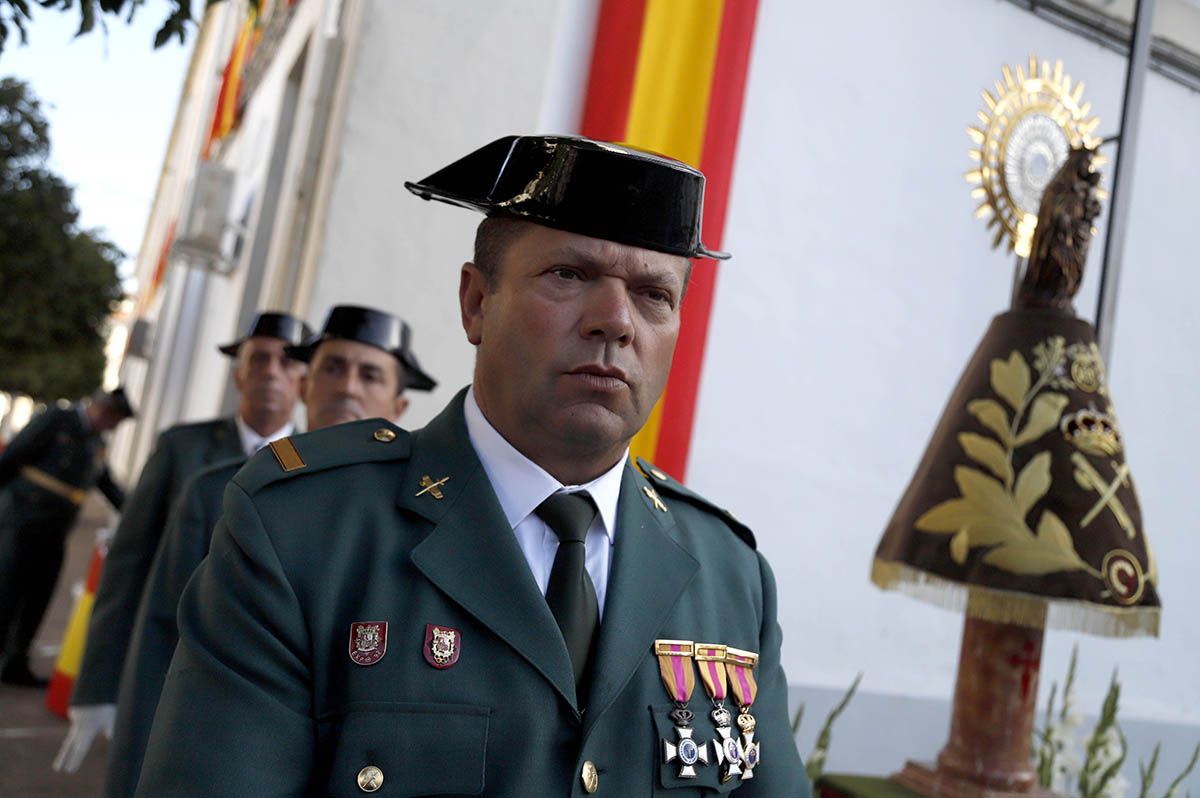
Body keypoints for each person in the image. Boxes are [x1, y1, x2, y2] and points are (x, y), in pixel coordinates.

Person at [138, 136, 810, 796]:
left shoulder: (732, 578)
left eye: (654, 295)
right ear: (476, 302)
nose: (615, 321)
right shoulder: (304, 531)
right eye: (569, 275)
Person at [102, 305, 434, 798]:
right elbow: (160, 643)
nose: (347, 388)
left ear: (399, 407)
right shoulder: (224, 492)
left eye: (370, 374)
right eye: (333, 368)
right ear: (305, 385)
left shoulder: (427, 519)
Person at [58, 312, 310, 767]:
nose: (272, 371)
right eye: (259, 359)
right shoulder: (182, 449)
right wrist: (98, 684)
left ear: (304, 381)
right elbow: (128, 566)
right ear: (238, 373)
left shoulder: (317, 467)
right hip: (166, 674)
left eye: (287, 362)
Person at [0, 387, 134, 686]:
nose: (114, 428)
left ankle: (15, 663)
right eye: (115, 421)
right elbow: (12, 457)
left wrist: (137, 511)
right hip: (22, 520)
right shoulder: (57, 419)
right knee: (6, 590)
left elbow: (106, 485)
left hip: (56, 529)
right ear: (104, 411)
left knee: (39, 595)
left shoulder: (96, 442)